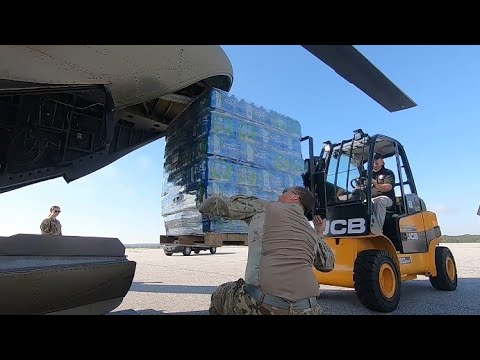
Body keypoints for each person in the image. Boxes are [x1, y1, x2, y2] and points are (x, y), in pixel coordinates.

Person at [198, 186, 335, 315]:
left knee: (220, 294)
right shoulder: (310, 230)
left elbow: (217, 205)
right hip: (309, 309)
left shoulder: (264, 207)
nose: (280, 195)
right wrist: (320, 233)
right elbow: (327, 265)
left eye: (284, 192)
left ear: (294, 197)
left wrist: (202, 200)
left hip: (264, 305)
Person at [360, 153, 396, 235]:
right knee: (360, 204)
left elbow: (388, 187)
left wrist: (376, 184)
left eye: (376, 160)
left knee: (380, 201)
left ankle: (377, 231)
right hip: (370, 198)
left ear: (382, 161)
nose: (374, 163)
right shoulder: (366, 174)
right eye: (372, 161)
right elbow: (359, 186)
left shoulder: (388, 173)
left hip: (386, 199)